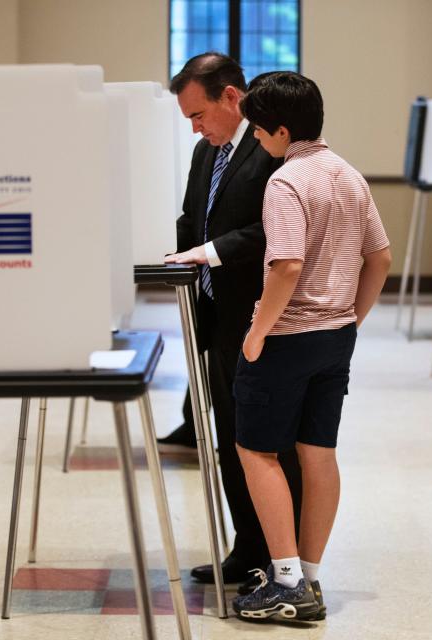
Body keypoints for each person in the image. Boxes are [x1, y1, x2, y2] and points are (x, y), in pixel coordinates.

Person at [230, 71, 392, 621]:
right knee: (318, 454)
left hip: (287, 336)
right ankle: (312, 580)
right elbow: (381, 258)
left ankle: (286, 581)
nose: (253, 138)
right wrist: (351, 319)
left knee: (257, 451)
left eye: (257, 128)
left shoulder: (287, 181)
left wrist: (256, 334)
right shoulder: (348, 175)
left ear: (281, 130)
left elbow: (286, 265)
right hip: (336, 337)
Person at [163, 53, 303, 588]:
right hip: (218, 317)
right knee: (228, 439)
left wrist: (209, 252)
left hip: (261, 319)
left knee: (266, 443)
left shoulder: (271, 150)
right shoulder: (206, 153)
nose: (194, 127)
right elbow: (190, 221)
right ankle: (246, 549)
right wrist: (167, 257)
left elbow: (274, 233)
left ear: (231, 97)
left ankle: (278, 557)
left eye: (198, 114)